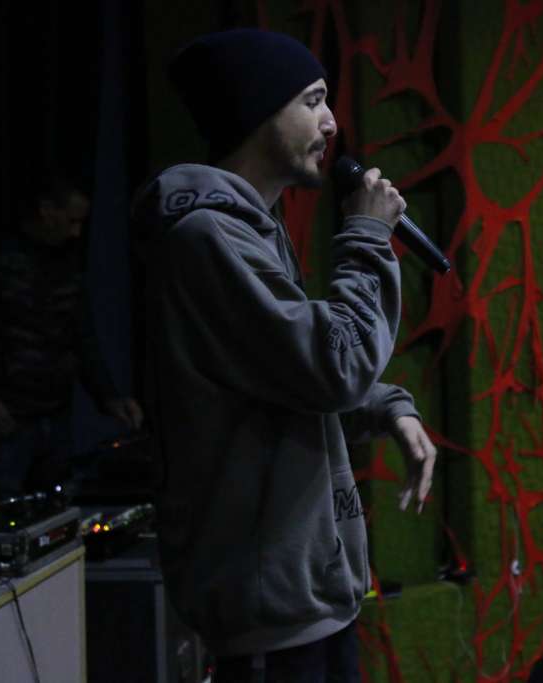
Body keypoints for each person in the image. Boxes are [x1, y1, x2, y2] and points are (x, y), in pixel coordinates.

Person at [132, 28, 437, 683]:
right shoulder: (206, 238)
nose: (331, 123)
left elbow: (288, 378)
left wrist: (389, 407)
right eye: (313, 100)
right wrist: (367, 235)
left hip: (307, 602)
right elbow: (332, 366)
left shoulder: (250, 231)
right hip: (269, 609)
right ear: (257, 110)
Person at [0, 177, 143, 500]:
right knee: (6, 509)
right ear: (46, 211)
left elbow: (82, 338)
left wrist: (110, 397)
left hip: (55, 415)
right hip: (6, 417)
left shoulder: (68, 263)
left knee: (56, 506)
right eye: (71, 221)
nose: (76, 232)